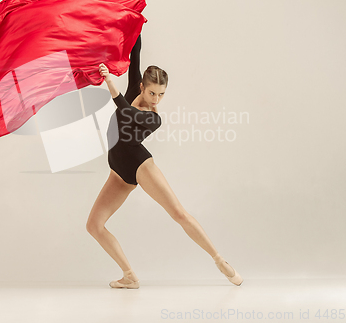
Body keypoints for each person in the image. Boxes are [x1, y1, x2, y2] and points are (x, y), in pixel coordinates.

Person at [86, 34, 243, 288]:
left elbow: (126, 112)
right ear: (141, 87)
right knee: (94, 225)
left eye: (161, 94)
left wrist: (108, 81)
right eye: (152, 92)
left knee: (178, 213)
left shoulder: (153, 118)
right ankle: (129, 276)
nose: (156, 99)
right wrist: (134, 20)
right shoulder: (133, 86)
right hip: (117, 170)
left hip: (139, 166)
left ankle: (219, 259)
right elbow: (135, 53)